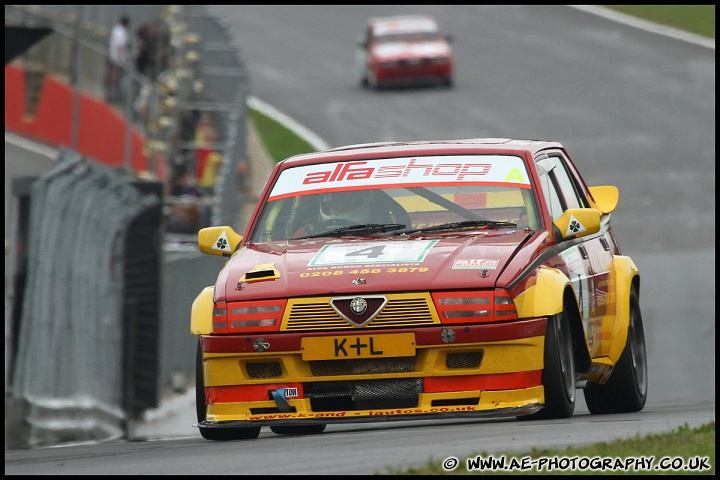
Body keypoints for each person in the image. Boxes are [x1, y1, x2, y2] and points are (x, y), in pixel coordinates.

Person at [107, 15, 132, 103]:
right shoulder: (121, 32)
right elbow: (119, 46)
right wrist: (122, 59)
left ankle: (111, 95)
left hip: (112, 57)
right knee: (116, 79)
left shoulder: (115, 30)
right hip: (117, 60)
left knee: (112, 78)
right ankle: (115, 97)